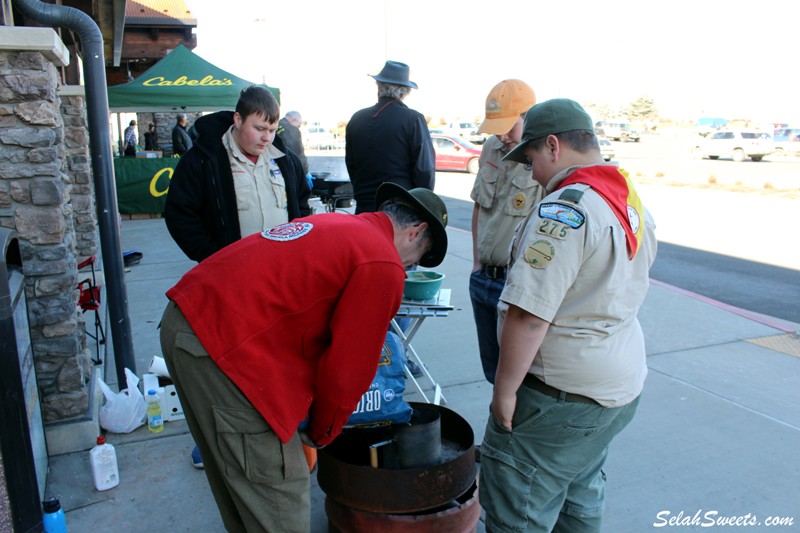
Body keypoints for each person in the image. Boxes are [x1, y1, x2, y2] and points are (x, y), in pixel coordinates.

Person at [160, 183, 448, 533]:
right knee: (280, 495)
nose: (409, 267)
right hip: (220, 346)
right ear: (415, 231)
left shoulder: (340, 225)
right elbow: (350, 369)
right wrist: (323, 431)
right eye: (416, 259)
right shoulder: (381, 260)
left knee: (242, 489)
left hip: (187, 320)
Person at [478, 98, 657, 532]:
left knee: (515, 509)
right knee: (579, 497)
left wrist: (505, 392)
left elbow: (529, 316)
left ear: (554, 146)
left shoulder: (566, 208)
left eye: (533, 158)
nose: (532, 172)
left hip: (559, 397)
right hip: (613, 389)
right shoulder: (628, 201)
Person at [164, 85, 311, 263]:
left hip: (282, 268)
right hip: (230, 273)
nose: (267, 138)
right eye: (259, 128)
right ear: (238, 120)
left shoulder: (287, 160)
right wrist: (214, 258)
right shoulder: (203, 160)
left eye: (272, 130)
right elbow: (180, 214)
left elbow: (302, 202)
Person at [470, 79, 542, 385]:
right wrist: (476, 263)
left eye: (509, 126)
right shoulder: (492, 147)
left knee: (517, 380)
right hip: (483, 278)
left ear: (528, 117)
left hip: (514, 285)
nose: (502, 134)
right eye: (496, 126)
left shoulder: (541, 158)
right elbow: (479, 206)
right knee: (492, 375)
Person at [345, 60, 435, 214]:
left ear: (379, 87)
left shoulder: (357, 118)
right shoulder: (413, 119)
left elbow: (351, 164)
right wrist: (422, 204)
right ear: (404, 91)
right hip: (399, 209)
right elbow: (424, 170)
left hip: (364, 208)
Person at [277, 110, 309, 176]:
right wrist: (305, 172)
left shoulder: (276, 125)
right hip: (288, 171)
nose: (298, 128)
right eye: (299, 125)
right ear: (294, 120)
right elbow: (298, 154)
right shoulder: (291, 129)